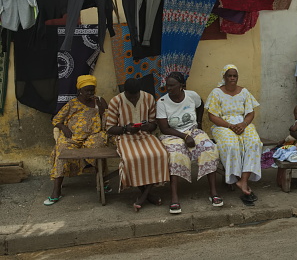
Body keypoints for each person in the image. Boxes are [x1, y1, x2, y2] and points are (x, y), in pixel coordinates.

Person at [157, 72, 222, 214]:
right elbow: (164, 128)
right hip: (171, 134)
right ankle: (174, 197)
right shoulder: (162, 102)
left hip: (193, 131)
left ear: (181, 86)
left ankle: (213, 192)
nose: (168, 88)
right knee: (175, 155)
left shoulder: (191, 95)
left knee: (209, 149)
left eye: (172, 86)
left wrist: (198, 124)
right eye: (167, 85)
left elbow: (201, 105)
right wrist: (185, 137)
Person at [44, 75, 109, 206]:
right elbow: (56, 120)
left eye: (92, 90)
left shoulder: (99, 101)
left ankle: (103, 182)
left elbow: (107, 117)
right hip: (73, 136)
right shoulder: (72, 103)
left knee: (99, 146)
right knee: (61, 150)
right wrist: (64, 128)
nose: (90, 93)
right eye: (87, 90)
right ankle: (56, 190)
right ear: (80, 90)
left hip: (92, 135)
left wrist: (100, 106)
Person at [106, 78, 169, 212]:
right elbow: (110, 128)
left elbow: (153, 124)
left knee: (160, 154)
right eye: (131, 95)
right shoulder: (116, 101)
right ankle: (147, 195)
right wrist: (125, 129)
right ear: (125, 92)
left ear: (140, 91)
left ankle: (144, 195)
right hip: (124, 137)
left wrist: (147, 126)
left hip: (144, 135)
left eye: (136, 95)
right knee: (131, 158)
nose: (134, 98)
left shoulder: (148, 98)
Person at [205, 64, 262, 203]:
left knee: (254, 143)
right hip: (223, 125)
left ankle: (243, 180)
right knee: (231, 145)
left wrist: (243, 124)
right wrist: (230, 125)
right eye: (229, 75)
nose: (232, 78)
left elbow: (250, 112)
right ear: (224, 77)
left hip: (243, 124)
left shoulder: (244, 92)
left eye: (234, 75)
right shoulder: (216, 93)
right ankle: (238, 179)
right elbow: (212, 116)